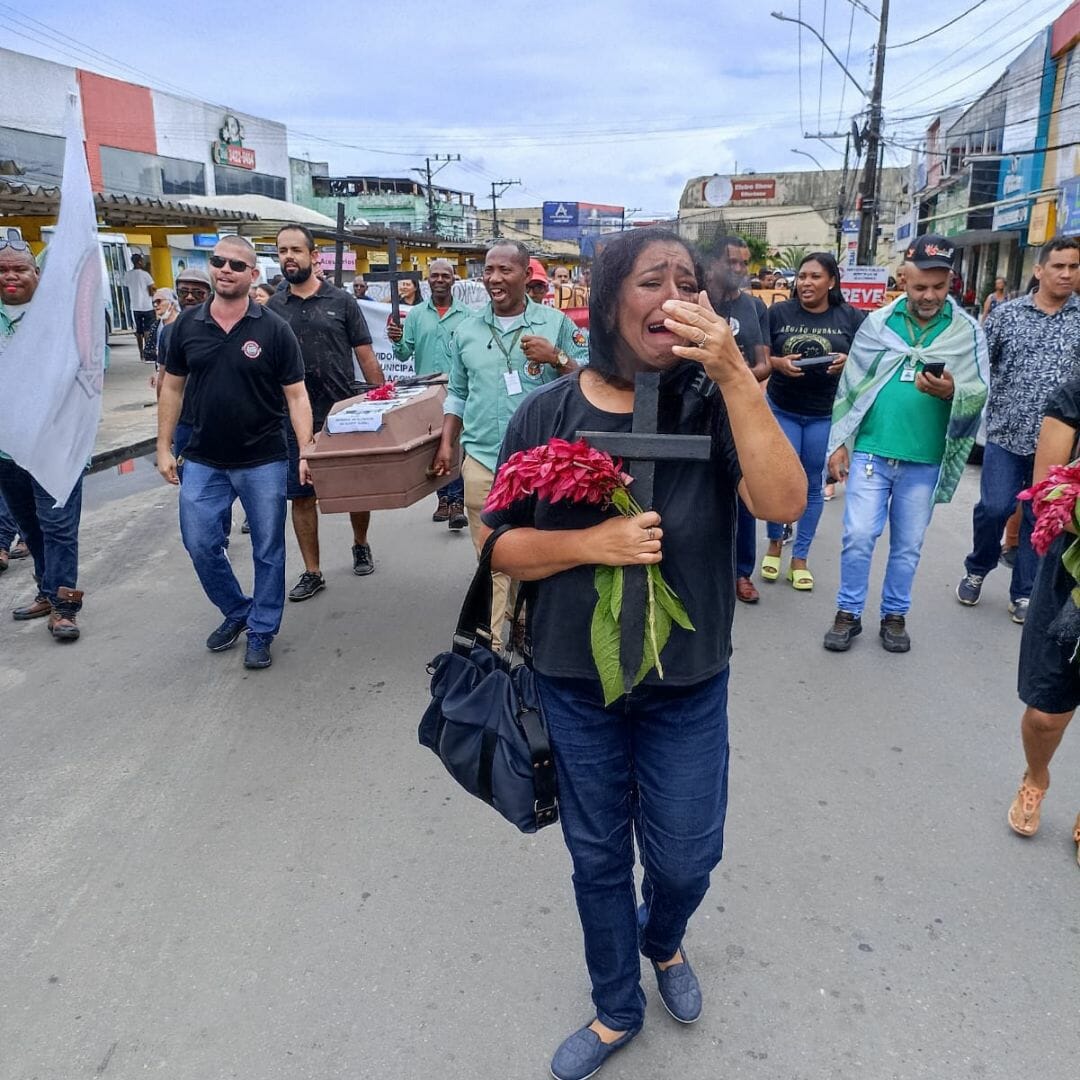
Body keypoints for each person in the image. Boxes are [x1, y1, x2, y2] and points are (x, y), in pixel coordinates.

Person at [479, 228, 805, 1080]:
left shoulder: (712, 401)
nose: (672, 293)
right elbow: (498, 548)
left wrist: (737, 374)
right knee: (596, 858)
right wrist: (596, 544)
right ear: (608, 298)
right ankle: (617, 1006)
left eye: (688, 282)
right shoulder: (545, 413)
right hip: (574, 681)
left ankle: (664, 941)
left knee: (687, 854)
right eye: (650, 279)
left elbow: (783, 501)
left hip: (687, 681)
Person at [823, 234, 989, 654]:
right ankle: (848, 612)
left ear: (950, 280)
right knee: (858, 534)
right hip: (872, 454)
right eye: (920, 287)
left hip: (925, 459)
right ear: (903, 279)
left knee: (908, 546)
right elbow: (853, 384)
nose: (929, 295)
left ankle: (894, 615)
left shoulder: (966, 332)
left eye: (939, 286)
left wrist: (952, 392)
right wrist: (840, 443)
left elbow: (980, 390)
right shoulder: (879, 325)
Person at [157, 235, 312, 671]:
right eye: (219, 261)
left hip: (263, 458)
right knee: (200, 543)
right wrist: (164, 446)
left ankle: (261, 629)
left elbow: (297, 396)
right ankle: (238, 610)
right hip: (203, 459)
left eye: (237, 265)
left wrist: (306, 450)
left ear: (253, 275)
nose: (226, 269)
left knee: (268, 549)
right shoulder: (186, 325)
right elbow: (171, 387)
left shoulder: (273, 329)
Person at [432, 239, 590, 649]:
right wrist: (447, 443)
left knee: (533, 547)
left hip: (541, 464)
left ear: (525, 274)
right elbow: (458, 393)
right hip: (483, 459)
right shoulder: (467, 329)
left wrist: (557, 357)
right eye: (489, 270)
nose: (494, 278)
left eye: (505, 270)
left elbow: (589, 383)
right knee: (493, 554)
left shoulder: (555, 325)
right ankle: (496, 643)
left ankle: (521, 616)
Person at [956, 238, 1080, 624]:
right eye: (1058, 266)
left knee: (1041, 518)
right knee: (995, 508)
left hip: (1062, 447)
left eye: (1073, 267)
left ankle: (1024, 591)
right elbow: (978, 368)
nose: (1066, 273)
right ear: (1039, 270)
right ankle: (978, 565)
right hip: (1006, 436)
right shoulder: (1007, 316)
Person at [266, 225, 385, 599]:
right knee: (301, 495)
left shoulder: (342, 301)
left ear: (313, 256)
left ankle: (360, 542)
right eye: (282, 250)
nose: (289, 257)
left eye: (296, 250)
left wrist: (381, 399)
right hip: (291, 418)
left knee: (355, 489)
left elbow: (365, 354)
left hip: (343, 412)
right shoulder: (273, 308)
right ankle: (312, 570)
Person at [1007, 373, 1080, 861]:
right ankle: (1036, 776)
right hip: (1070, 579)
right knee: (1045, 715)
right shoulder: (1074, 393)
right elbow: (1048, 491)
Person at [760, 252, 865, 592]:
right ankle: (775, 543)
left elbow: (868, 361)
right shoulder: (778, 313)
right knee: (780, 478)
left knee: (812, 483)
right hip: (783, 407)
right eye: (802, 276)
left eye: (815, 276)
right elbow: (762, 358)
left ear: (832, 281)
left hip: (826, 414)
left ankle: (800, 557)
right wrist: (778, 363)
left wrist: (849, 361)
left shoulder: (850, 317)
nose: (806, 282)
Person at [0, 240, 86, 639]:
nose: (11, 276)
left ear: (37, 274)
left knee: (58, 527)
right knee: (29, 527)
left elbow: (88, 369)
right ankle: (47, 592)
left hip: (57, 446)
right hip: (8, 447)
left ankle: (66, 606)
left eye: (20, 269)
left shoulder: (60, 318)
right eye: (3, 270)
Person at [703, 236, 771, 604]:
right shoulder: (694, 300)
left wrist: (735, 375)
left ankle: (742, 572)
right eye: (734, 262)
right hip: (692, 413)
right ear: (713, 264)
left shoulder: (751, 307)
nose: (741, 271)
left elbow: (762, 364)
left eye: (745, 264)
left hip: (736, 414)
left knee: (747, 498)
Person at [387, 258, 470, 528]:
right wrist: (396, 339)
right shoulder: (416, 315)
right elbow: (403, 355)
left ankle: (457, 501)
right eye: (435, 276)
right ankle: (443, 498)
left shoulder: (468, 316)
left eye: (445, 275)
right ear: (428, 280)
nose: (440, 280)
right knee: (433, 444)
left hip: (457, 389)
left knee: (454, 442)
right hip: (426, 391)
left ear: (453, 279)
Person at [124, 252, 156, 361]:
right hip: (147, 306)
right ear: (139, 262)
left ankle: (141, 353)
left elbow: (127, 286)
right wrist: (154, 293)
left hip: (135, 306)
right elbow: (151, 289)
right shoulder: (145, 275)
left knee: (138, 331)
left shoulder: (128, 275)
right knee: (147, 329)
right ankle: (148, 353)